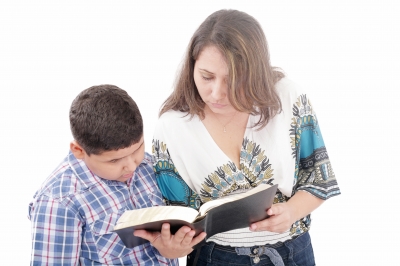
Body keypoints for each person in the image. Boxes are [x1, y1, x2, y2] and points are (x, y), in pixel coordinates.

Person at [148, 9, 340, 266]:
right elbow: (179, 221)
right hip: (214, 257)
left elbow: (318, 179)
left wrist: (292, 211)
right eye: (206, 76)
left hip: (292, 253)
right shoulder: (171, 127)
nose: (216, 93)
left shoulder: (287, 97)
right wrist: (171, 248)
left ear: (256, 73)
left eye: (232, 80)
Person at [28, 85, 206, 265]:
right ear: (79, 150)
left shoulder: (149, 164)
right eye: (114, 161)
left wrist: (173, 250)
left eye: (138, 149)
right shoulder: (59, 201)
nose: (131, 166)